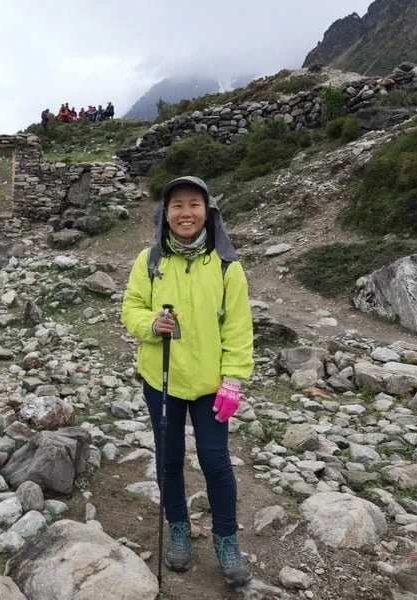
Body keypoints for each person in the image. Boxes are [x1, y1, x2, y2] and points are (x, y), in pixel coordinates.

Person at [121, 176, 254, 587]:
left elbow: (238, 327)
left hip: (211, 385)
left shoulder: (227, 265)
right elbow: (131, 308)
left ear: (207, 211)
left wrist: (233, 379)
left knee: (216, 462)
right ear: (165, 214)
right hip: (161, 380)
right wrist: (151, 324)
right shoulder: (150, 261)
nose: (185, 213)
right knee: (170, 458)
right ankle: (178, 526)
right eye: (177, 205)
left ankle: (226, 539)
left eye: (194, 204)